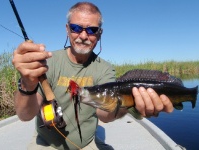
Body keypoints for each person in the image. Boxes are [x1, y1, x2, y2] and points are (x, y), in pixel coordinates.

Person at [12, 2, 173, 150]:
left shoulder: (104, 69)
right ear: (67, 29)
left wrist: (129, 104)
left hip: (87, 143)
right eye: (76, 28)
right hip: (47, 143)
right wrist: (28, 84)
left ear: (100, 33)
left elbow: (105, 115)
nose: (83, 36)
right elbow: (25, 115)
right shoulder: (48, 63)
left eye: (92, 30)